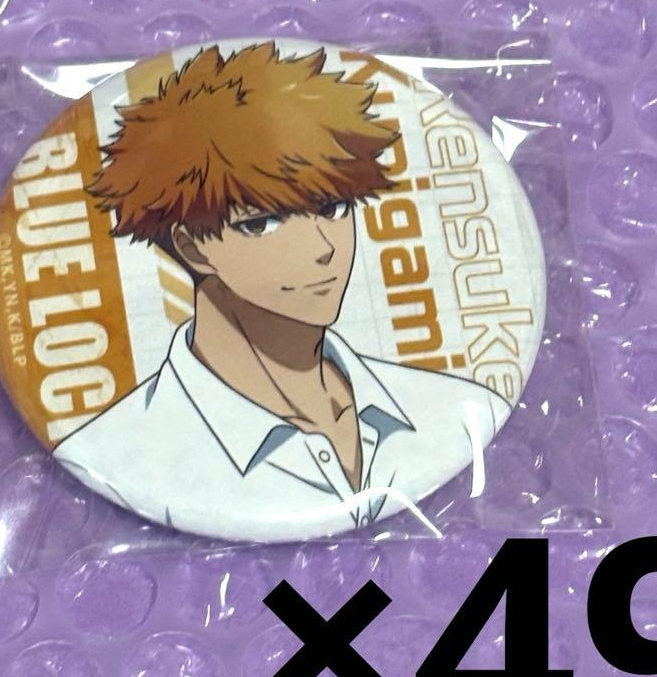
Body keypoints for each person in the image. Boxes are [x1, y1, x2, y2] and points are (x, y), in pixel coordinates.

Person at [54, 42, 511, 541]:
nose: (322, 249)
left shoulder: (459, 411)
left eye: (333, 208)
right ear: (191, 247)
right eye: (262, 223)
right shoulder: (119, 452)